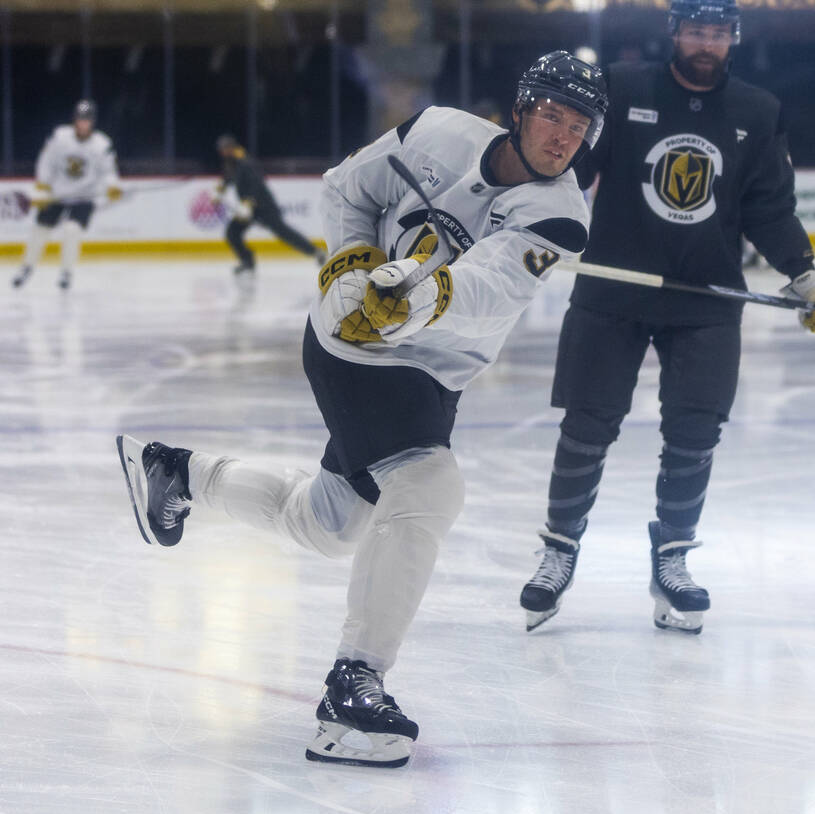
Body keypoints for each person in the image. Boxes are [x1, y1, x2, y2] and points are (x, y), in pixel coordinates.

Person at [116, 51, 608, 768]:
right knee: (430, 487)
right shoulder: (435, 132)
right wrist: (348, 265)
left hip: (434, 369)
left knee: (331, 522)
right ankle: (353, 686)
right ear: (522, 107)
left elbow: (487, 289)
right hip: (354, 344)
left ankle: (178, 473)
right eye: (554, 115)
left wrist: (421, 296)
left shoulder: (561, 215)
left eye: (581, 126)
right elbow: (349, 189)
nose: (564, 136)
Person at [519, 0, 815, 636]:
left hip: (706, 301)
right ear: (674, 33)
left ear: (734, 39)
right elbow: (570, 169)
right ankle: (559, 551)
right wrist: (527, 225)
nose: (708, 43)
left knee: (695, 435)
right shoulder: (622, 89)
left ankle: (672, 556)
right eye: (697, 31)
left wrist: (810, 281)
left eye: (719, 33)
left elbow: (770, 208)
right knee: (587, 426)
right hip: (611, 289)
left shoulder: (756, 112)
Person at [12, 99, 122, 290]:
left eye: (87, 119)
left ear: (92, 121)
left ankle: (66, 272)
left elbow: (109, 172)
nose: (83, 123)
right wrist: (43, 184)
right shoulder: (59, 137)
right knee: (40, 229)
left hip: (84, 198)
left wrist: (112, 186)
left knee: (72, 230)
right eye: (80, 119)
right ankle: (26, 267)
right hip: (58, 194)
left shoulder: (102, 144)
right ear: (75, 119)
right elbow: (46, 161)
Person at [215, 134, 324, 283]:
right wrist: (219, 191)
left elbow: (256, 183)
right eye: (221, 149)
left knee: (283, 231)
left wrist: (249, 202)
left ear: (231, 147)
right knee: (232, 232)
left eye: (224, 148)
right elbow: (228, 177)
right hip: (248, 208)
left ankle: (316, 252)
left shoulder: (244, 161)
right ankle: (247, 261)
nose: (222, 152)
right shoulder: (231, 162)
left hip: (263, 205)